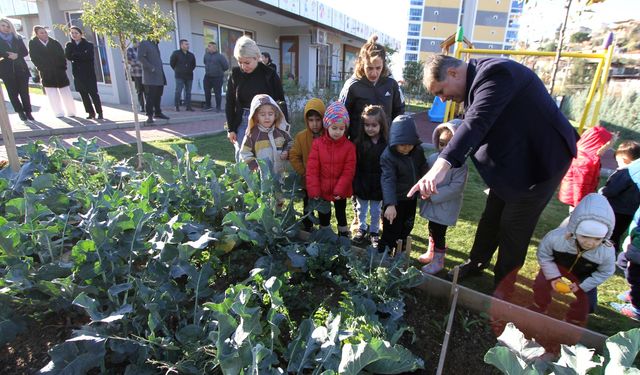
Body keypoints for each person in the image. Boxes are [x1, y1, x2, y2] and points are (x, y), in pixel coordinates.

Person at [408, 55, 579, 298]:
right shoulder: (477, 81)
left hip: (540, 162)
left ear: (454, 73)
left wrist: (440, 167)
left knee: (513, 225)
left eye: (441, 91)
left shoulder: (496, 73)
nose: (442, 99)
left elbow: (477, 122)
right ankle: (476, 262)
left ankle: (504, 285)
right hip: (515, 164)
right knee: (491, 217)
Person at [530, 193, 615, 325]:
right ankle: (539, 306)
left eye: (597, 239)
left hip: (585, 274)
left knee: (589, 303)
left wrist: (583, 286)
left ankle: (573, 320)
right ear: (574, 231)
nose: (590, 243)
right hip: (558, 265)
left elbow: (606, 271)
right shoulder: (556, 237)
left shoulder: (606, 251)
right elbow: (544, 255)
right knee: (541, 284)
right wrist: (553, 276)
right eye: (585, 236)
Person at [226, 36, 288, 162]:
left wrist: (284, 129)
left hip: (266, 120)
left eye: (247, 62)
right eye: (240, 62)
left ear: (256, 57)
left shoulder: (269, 74)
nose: (243, 66)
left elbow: (280, 102)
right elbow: (230, 102)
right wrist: (231, 129)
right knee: (243, 160)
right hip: (243, 121)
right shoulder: (235, 74)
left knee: (266, 159)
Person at [418, 119, 468, 274]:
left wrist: (432, 194)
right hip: (434, 203)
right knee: (432, 228)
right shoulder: (433, 159)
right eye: (442, 143)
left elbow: (455, 188)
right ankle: (431, 252)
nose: (445, 148)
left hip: (444, 205)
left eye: (450, 144)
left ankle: (438, 260)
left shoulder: (460, 166)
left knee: (439, 232)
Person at [339, 35, 404, 141]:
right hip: (358, 146)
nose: (374, 73)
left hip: (385, 145)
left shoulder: (391, 84)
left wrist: (394, 137)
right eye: (369, 68)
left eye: (378, 68)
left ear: (384, 64)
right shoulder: (352, 85)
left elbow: (399, 111)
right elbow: (342, 116)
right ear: (361, 64)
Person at [306, 101, 356, 237]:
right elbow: (312, 169)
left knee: (341, 212)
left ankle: (343, 234)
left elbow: (348, 171)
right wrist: (314, 189)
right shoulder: (318, 144)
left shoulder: (349, 147)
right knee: (324, 214)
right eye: (334, 128)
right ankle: (325, 234)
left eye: (341, 129)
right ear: (327, 126)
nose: (338, 132)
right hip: (322, 189)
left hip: (341, 189)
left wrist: (341, 189)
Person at [379, 115, 428, 253]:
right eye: (402, 145)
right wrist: (390, 204)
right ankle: (384, 255)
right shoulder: (388, 156)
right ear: (394, 141)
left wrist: (426, 184)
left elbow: (423, 167)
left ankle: (399, 254)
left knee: (407, 227)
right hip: (395, 202)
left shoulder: (417, 151)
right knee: (391, 230)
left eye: (410, 144)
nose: (406, 148)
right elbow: (388, 180)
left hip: (410, 199)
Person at [352, 105, 389, 249]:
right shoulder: (359, 143)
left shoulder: (386, 144)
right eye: (367, 125)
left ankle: (374, 231)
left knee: (375, 210)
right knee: (361, 208)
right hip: (362, 181)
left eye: (374, 125)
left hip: (378, 183)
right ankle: (362, 227)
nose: (370, 128)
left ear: (381, 125)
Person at [289, 98, 326, 231]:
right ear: (306, 121)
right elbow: (293, 155)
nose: (315, 124)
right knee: (307, 207)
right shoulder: (301, 137)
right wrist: (304, 172)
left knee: (324, 209)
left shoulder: (329, 135)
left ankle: (324, 229)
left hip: (324, 182)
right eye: (311, 120)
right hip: (307, 182)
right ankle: (307, 229)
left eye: (318, 119)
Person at [558, 125, 615, 211]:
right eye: (606, 147)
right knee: (574, 217)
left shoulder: (583, 153)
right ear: (598, 145)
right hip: (577, 200)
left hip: (577, 196)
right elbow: (580, 186)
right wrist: (580, 206)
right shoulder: (585, 162)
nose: (606, 150)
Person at [600, 140, 640, 254]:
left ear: (624, 159)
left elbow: (612, 191)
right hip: (630, 212)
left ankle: (604, 254)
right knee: (617, 233)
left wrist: (602, 191)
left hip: (615, 209)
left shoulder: (625, 172)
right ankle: (612, 254)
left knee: (608, 233)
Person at [239, 94, 292, 180]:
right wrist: (254, 167)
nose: (267, 117)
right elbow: (244, 154)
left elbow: (290, 143)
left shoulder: (281, 132)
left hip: (280, 177)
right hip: (261, 179)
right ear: (256, 116)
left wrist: (286, 151)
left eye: (270, 114)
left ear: (275, 115)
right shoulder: (252, 135)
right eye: (262, 114)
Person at [28, 26, 76, 118]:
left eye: (45, 32)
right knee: (52, 92)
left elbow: (62, 56)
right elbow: (34, 58)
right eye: (41, 33)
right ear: (36, 34)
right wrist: (42, 67)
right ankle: (58, 112)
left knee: (65, 91)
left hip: (59, 71)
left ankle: (71, 111)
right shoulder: (33, 43)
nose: (44, 34)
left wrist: (62, 67)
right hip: (46, 72)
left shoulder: (54, 42)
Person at [65, 26, 102, 120]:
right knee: (83, 94)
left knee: (93, 93)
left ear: (81, 34)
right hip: (77, 73)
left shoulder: (88, 45)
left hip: (89, 73)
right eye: (72, 33)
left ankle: (99, 112)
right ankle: (90, 112)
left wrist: (76, 55)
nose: (74, 35)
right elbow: (68, 56)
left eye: (76, 33)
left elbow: (88, 56)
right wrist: (80, 55)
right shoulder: (69, 45)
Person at [0, 18, 32, 121]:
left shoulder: (17, 38)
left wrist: (17, 55)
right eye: (3, 26)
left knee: (24, 92)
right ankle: (20, 112)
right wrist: (7, 55)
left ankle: (28, 112)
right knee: (12, 93)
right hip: (6, 71)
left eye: (8, 26)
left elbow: (25, 52)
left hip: (21, 69)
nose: (5, 28)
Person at [138, 38, 169, 124]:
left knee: (158, 94)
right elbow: (140, 57)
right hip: (150, 76)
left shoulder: (155, 44)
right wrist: (151, 67)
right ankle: (149, 115)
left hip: (159, 75)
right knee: (151, 96)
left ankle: (158, 112)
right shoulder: (144, 43)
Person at [169, 39, 196, 112]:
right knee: (178, 91)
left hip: (189, 76)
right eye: (186, 44)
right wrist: (178, 70)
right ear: (181, 45)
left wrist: (189, 70)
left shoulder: (191, 55)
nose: (188, 46)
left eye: (188, 44)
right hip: (179, 76)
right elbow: (172, 63)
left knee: (188, 92)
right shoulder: (176, 53)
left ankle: (188, 107)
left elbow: (194, 65)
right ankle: (176, 106)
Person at [203, 41, 229, 112]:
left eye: (209, 46)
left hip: (217, 77)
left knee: (217, 92)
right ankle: (208, 106)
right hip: (207, 76)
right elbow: (205, 62)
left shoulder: (220, 56)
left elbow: (226, 66)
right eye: (208, 46)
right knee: (207, 91)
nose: (207, 47)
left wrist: (219, 71)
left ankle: (218, 107)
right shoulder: (206, 55)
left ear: (214, 47)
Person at [126, 40, 145, 112]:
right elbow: (129, 60)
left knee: (146, 90)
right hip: (136, 73)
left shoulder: (142, 50)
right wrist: (139, 62)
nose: (139, 44)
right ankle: (142, 106)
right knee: (139, 90)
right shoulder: (130, 50)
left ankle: (148, 106)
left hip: (144, 73)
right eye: (137, 42)